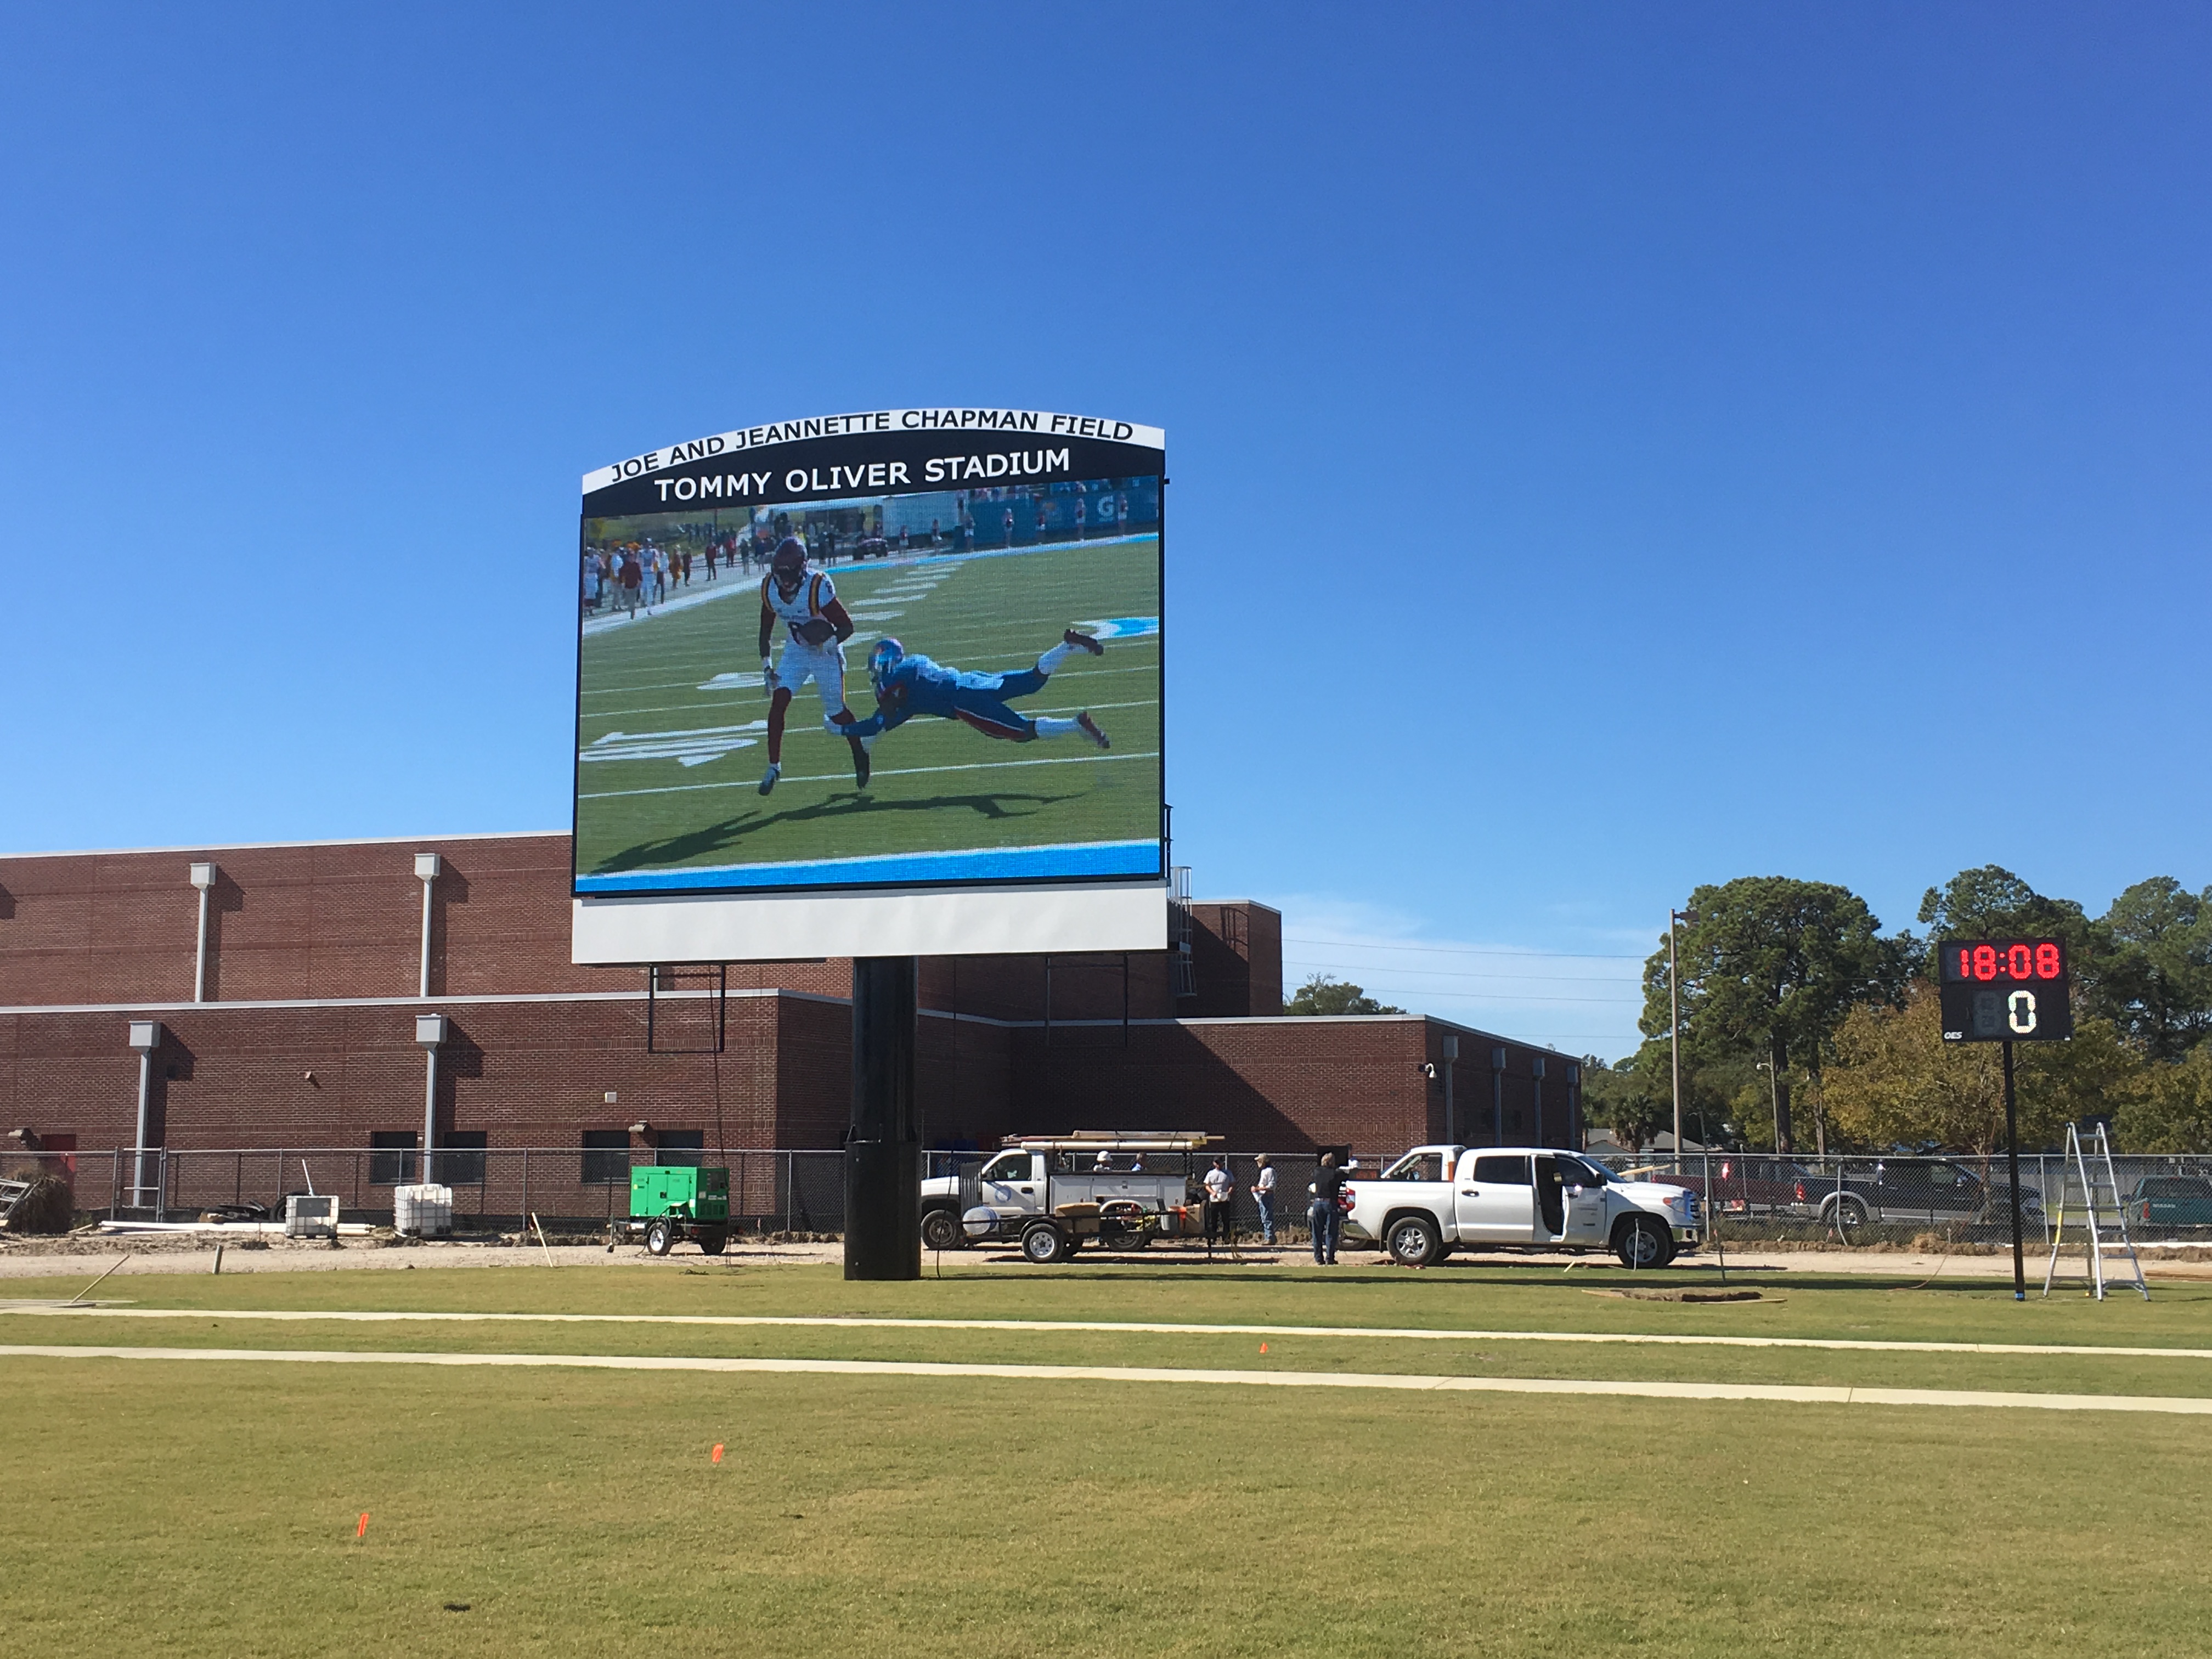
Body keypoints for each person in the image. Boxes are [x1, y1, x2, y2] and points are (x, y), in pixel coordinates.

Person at [832, 631, 1111, 751]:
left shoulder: (898, 680)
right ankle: (1067, 646)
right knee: (1031, 680)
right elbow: (888, 718)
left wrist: (842, 730)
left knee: (1023, 732)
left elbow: (879, 717)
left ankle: (1076, 726)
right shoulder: (915, 666)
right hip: (972, 680)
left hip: (964, 701)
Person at [756, 537, 870, 795]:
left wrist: (828, 643)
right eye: (780, 572)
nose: (784, 579)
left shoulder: (817, 586)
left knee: (837, 711)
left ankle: (859, 750)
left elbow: (846, 627)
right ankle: (774, 766)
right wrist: (767, 668)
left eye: (790, 572)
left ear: (803, 568)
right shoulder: (769, 589)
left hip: (824, 651)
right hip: (796, 649)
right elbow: (765, 632)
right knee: (778, 703)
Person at [1311, 1152, 1345, 1265]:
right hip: (1330, 1204)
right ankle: (1329, 1258)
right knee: (1331, 1232)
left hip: (1317, 1204)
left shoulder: (1317, 1172)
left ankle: (1318, 1258)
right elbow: (1345, 1175)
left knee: (1317, 1233)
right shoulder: (1336, 1174)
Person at [1203, 1156, 1234, 1246]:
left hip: (1225, 1198)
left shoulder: (1228, 1173)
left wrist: (1229, 1192)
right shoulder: (1210, 1173)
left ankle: (1226, 1238)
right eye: (1216, 1163)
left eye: (1220, 1163)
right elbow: (1207, 1185)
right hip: (1214, 1199)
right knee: (1214, 1220)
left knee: (1226, 1220)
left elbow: (1232, 1184)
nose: (1218, 1165)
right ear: (1214, 1164)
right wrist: (1212, 1192)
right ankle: (1213, 1238)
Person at [1251, 1154, 1277, 1245]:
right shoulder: (1264, 1171)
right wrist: (1257, 1188)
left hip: (1267, 1195)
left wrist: (1259, 1189)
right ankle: (1269, 1236)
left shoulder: (1270, 1171)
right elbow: (1263, 1184)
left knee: (1267, 1217)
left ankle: (1269, 1237)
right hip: (1262, 1196)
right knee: (1264, 1217)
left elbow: (1271, 1186)